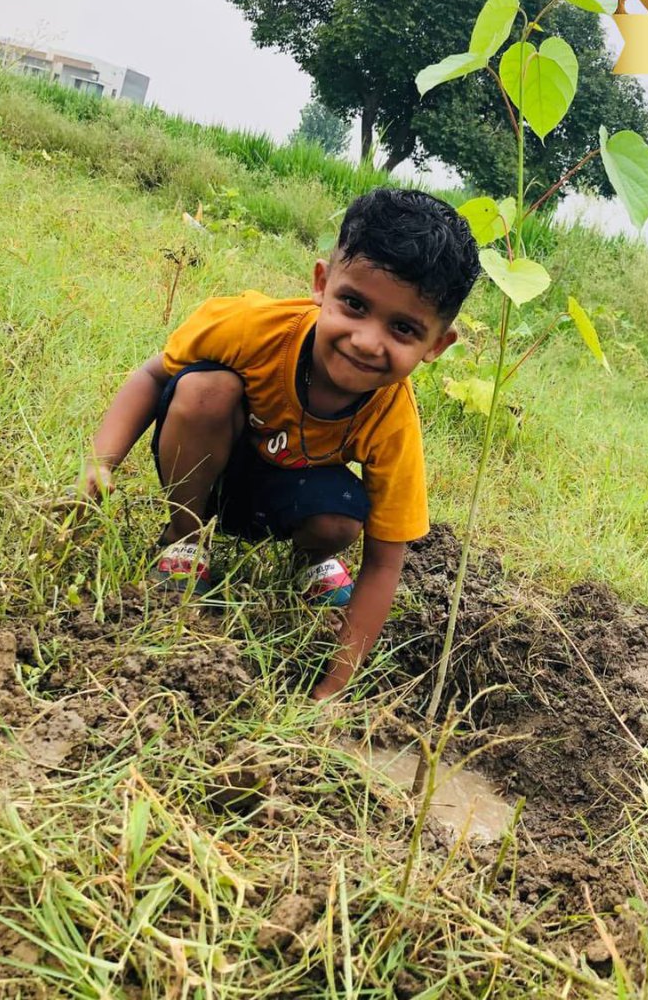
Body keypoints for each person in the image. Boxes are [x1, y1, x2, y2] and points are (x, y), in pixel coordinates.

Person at [81, 188, 480, 700]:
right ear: (322, 283)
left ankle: (308, 562)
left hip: (283, 501)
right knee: (204, 390)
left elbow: (385, 558)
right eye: (354, 304)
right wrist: (101, 462)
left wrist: (330, 693)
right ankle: (185, 540)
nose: (365, 340)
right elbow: (151, 377)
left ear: (436, 346)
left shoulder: (393, 419)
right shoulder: (251, 327)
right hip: (208, 472)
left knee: (345, 516)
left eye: (403, 328)